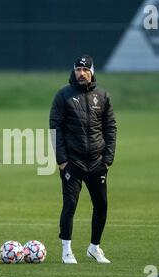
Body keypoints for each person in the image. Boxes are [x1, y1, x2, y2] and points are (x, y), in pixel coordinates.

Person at [49, 54, 117, 264]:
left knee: (102, 205)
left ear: (92, 72)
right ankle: (66, 250)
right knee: (70, 205)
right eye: (78, 70)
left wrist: (107, 159)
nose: (81, 73)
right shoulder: (64, 95)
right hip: (73, 162)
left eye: (85, 70)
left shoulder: (102, 96)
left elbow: (110, 127)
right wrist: (62, 160)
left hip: (97, 162)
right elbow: (55, 127)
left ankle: (94, 248)